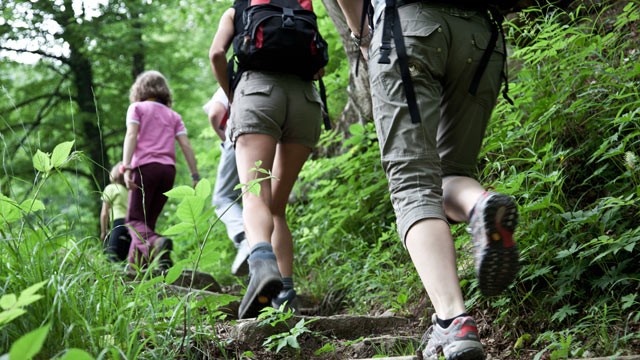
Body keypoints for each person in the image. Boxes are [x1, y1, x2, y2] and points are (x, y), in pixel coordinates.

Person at [336, 1, 520, 359]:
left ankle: (453, 320)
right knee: (453, 171)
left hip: (408, 28)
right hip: (482, 37)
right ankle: (479, 205)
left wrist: (361, 34)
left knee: (413, 182)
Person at [209, 0, 323, 319]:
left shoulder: (239, 9)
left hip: (257, 94)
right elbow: (319, 65)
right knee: (277, 207)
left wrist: (232, 94)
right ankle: (285, 293)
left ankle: (261, 263)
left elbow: (217, 53)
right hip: (305, 102)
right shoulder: (302, 8)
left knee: (254, 194)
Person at [121, 70, 200, 269]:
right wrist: (195, 174)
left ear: (140, 89)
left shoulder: (137, 108)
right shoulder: (174, 116)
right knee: (147, 225)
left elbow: (131, 135)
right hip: (168, 172)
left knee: (133, 221)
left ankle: (157, 243)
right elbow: (186, 146)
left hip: (144, 168)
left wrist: (126, 166)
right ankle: (135, 272)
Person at [203, 88, 250, 276]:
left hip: (240, 132)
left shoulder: (234, 79)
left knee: (223, 198)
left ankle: (246, 238)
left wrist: (226, 140)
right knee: (259, 196)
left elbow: (215, 114)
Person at [100, 162, 131, 262]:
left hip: (118, 223)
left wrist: (103, 232)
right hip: (131, 226)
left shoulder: (111, 188)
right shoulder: (128, 192)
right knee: (122, 258)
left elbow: (104, 213)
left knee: (111, 256)